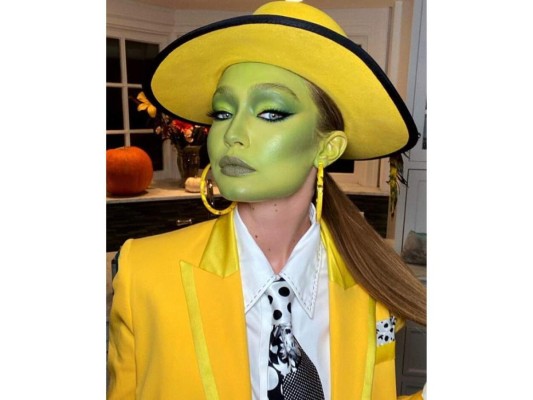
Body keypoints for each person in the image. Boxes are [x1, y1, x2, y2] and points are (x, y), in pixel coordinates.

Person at [107, 1, 426, 399]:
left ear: (327, 147)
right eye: (222, 113)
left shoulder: (372, 285)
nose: (231, 134)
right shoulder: (145, 276)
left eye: (271, 112)